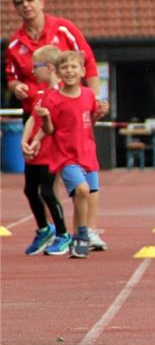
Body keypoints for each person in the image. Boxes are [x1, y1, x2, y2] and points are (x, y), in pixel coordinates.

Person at [6, 0, 106, 250]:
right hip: (37, 114)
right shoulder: (16, 43)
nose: (26, 6)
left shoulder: (64, 29)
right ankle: (55, 230)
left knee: (81, 175)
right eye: (20, 2)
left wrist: (95, 100)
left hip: (71, 113)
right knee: (37, 185)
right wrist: (18, 88)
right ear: (15, 7)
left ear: (41, 1)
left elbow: (88, 61)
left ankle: (83, 231)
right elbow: (11, 78)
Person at [36, 51, 109, 258]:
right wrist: (46, 118)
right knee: (82, 190)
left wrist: (100, 112)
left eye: (73, 67)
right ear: (58, 73)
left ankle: (78, 236)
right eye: (65, 68)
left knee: (84, 196)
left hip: (88, 154)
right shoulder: (54, 99)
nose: (69, 71)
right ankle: (84, 235)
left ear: (82, 71)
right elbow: (50, 130)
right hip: (66, 155)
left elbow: (90, 120)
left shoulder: (87, 95)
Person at [19, 45, 70, 256]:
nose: (32, 71)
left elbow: (53, 124)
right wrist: (24, 140)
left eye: (35, 67)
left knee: (47, 191)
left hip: (50, 150)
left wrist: (38, 140)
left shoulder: (60, 93)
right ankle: (44, 228)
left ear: (49, 67)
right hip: (34, 150)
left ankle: (63, 233)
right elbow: (33, 117)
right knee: (29, 190)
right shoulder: (40, 93)